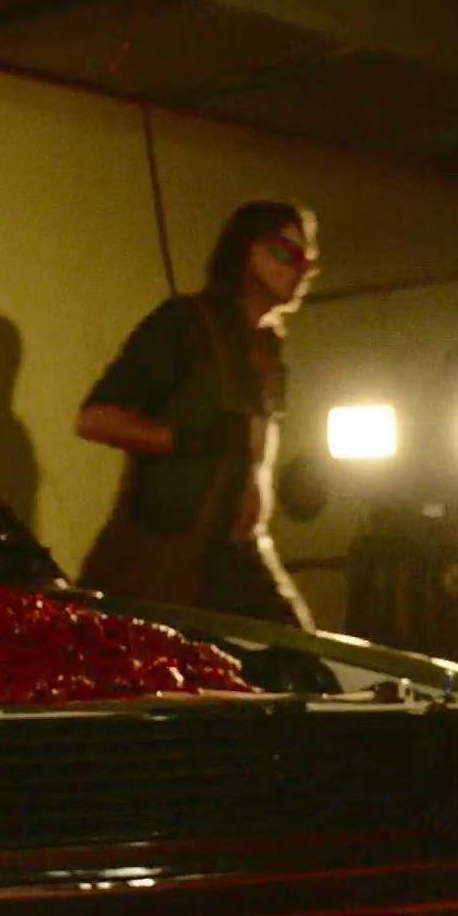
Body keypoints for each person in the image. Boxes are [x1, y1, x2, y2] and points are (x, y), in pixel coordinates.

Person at [75, 199, 322, 631]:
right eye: (286, 251)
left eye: (308, 259)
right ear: (246, 250)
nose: (299, 268)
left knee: (299, 657)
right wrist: (187, 439)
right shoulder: (184, 325)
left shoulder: (267, 349)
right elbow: (95, 418)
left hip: (240, 556)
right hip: (167, 555)